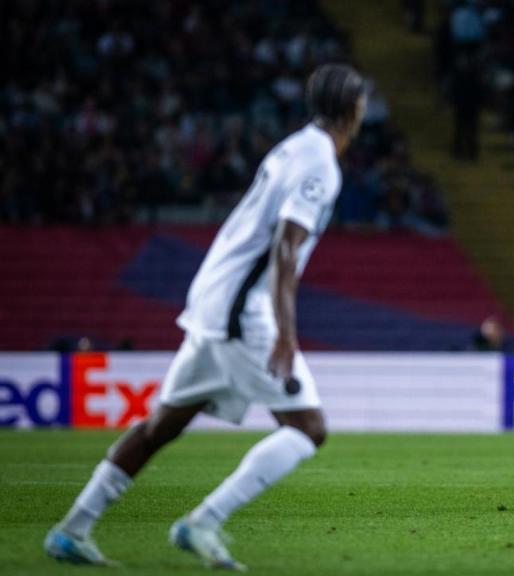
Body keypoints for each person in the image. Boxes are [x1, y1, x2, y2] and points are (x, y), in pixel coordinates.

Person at [44, 63, 368, 569]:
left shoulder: (293, 146)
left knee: (163, 424)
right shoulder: (321, 163)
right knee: (307, 427)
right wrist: (286, 333)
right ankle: (203, 522)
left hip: (213, 299)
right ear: (356, 108)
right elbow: (285, 248)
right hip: (244, 311)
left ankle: (72, 529)